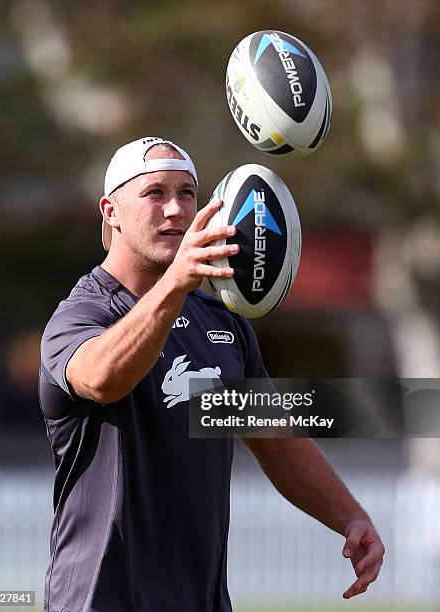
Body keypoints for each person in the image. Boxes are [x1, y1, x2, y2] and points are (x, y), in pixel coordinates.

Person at [39, 136, 384, 612]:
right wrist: (176, 285)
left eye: (186, 193)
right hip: (103, 599)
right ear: (111, 211)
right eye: (155, 193)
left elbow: (274, 438)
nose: (176, 209)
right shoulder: (83, 314)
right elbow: (102, 380)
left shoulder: (220, 319)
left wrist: (349, 516)